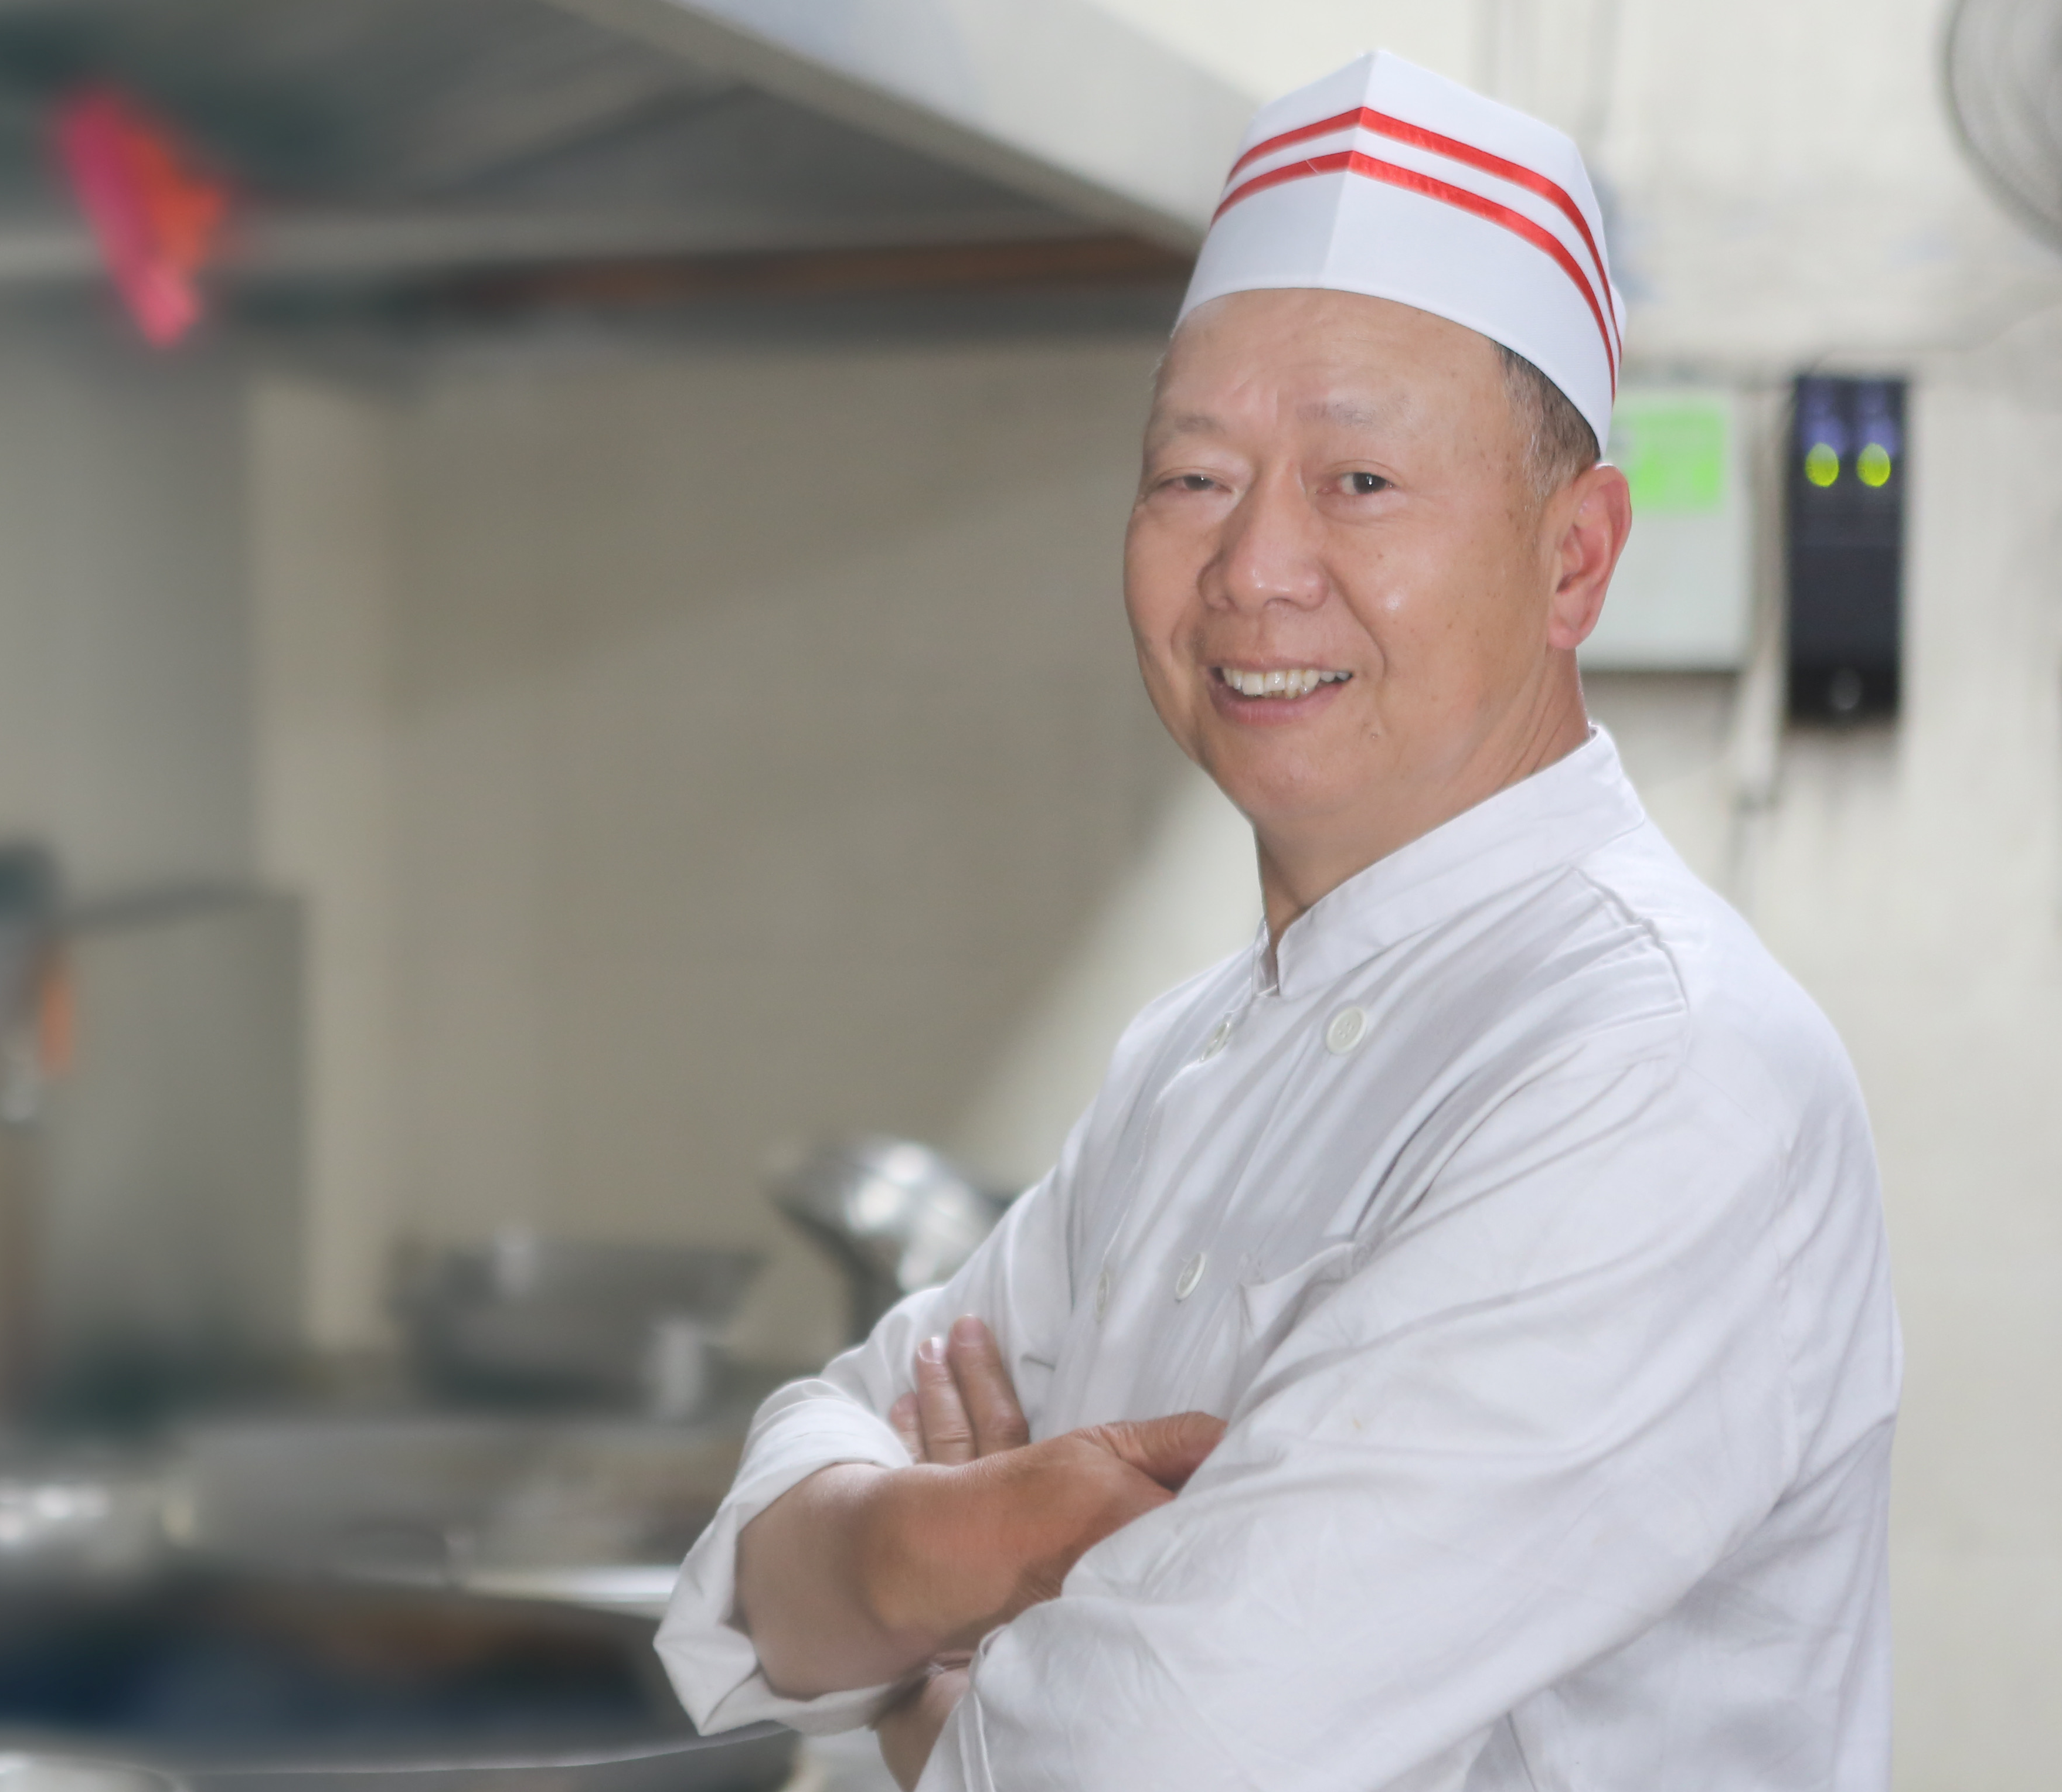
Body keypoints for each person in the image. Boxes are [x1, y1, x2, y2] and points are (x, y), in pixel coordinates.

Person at [655, 50, 1900, 1792]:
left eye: (1359, 482)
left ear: (1575, 557)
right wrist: (939, 1548)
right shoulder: (1190, 1058)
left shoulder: (1658, 1068)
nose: (1251, 569)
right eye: (1193, 477)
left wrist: (924, 1678)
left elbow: (1142, 1764)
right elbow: (755, 1584)